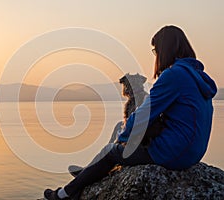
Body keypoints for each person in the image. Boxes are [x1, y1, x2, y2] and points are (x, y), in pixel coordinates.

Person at [43, 25, 217, 200]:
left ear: (165, 49)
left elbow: (142, 116)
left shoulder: (174, 75)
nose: (156, 56)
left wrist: (122, 138)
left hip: (175, 152)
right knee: (117, 144)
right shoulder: (197, 75)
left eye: (156, 51)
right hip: (194, 151)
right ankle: (88, 174)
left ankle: (64, 194)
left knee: (112, 151)